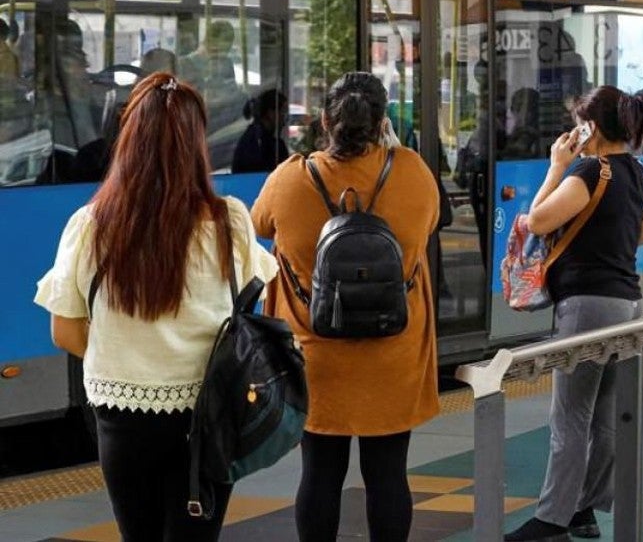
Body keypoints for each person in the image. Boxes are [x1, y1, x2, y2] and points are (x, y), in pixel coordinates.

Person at [34, 72, 278, 541]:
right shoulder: (228, 220)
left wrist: (129, 356)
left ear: (129, 139)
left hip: (121, 413)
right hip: (209, 416)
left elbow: (63, 332)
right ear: (197, 143)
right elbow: (251, 306)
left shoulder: (92, 225)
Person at [251, 73, 442, 542]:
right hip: (394, 355)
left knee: (319, 475)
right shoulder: (412, 171)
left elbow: (259, 224)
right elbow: (432, 224)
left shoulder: (291, 178)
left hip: (317, 359)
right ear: (383, 125)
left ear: (323, 122)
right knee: (389, 477)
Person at [505, 86, 643, 542]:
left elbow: (538, 220)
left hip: (586, 304)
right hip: (627, 302)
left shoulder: (590, 170)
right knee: (604, 415)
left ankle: (552, 518)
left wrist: (556, 167)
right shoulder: (636, 171)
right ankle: (584, 510)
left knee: (571, 415)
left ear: (589, 126)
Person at [232, 89, 290, 173]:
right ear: (271, 113)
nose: (285, 118)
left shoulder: (251, 137)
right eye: (283, 112)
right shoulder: (261, 143)